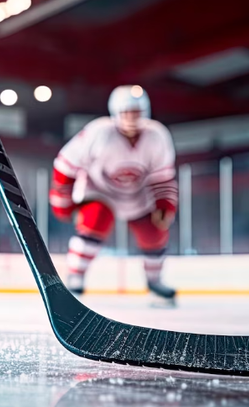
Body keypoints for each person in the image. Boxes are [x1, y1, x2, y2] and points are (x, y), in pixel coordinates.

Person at [50, 85, 178, 299]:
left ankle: (155, 281)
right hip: (99, 190)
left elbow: (162, 176)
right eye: (127, 112)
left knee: (154, 232)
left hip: (139, 194)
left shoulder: (157, 135)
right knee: (94, 222)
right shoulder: (98, 132)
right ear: (115, 112)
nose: (131, 118)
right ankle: (75, 276)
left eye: (136, 112)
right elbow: (65, 164)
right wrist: (62, 202)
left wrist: (165, 203)